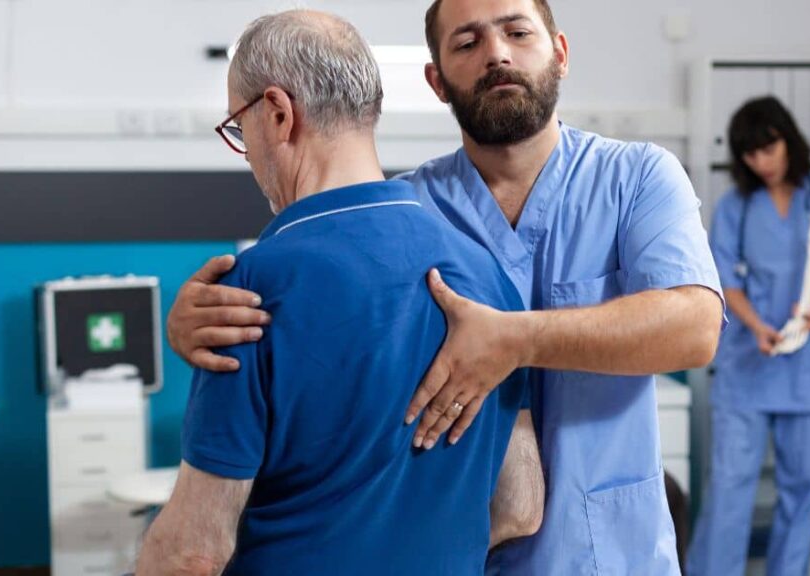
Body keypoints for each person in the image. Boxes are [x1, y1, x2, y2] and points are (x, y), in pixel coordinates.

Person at [166, 0, 725, 573]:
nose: (497, 54)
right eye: (467, 43)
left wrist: (517, 338)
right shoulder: (410, 211)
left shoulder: (637, 179)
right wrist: (196, 322)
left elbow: (695, 328)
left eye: (517, 32)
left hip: (608, 551)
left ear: (559, 54)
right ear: (436, 81)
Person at [136, 10, 538, 575]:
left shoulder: (247, 297)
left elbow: (192, 553)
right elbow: (521, 508)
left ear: (277, 114)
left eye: (239, 129)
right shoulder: (490, 278)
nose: (247, 152)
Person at [687, 96, 810, 576]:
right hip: (750, 359)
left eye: (768, 148)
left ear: (788, 140)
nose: (760, 162)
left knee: (804, 487)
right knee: (729, 487)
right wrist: (755, 325)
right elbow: (722, 276)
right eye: (750, 154)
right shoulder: (736, 207)